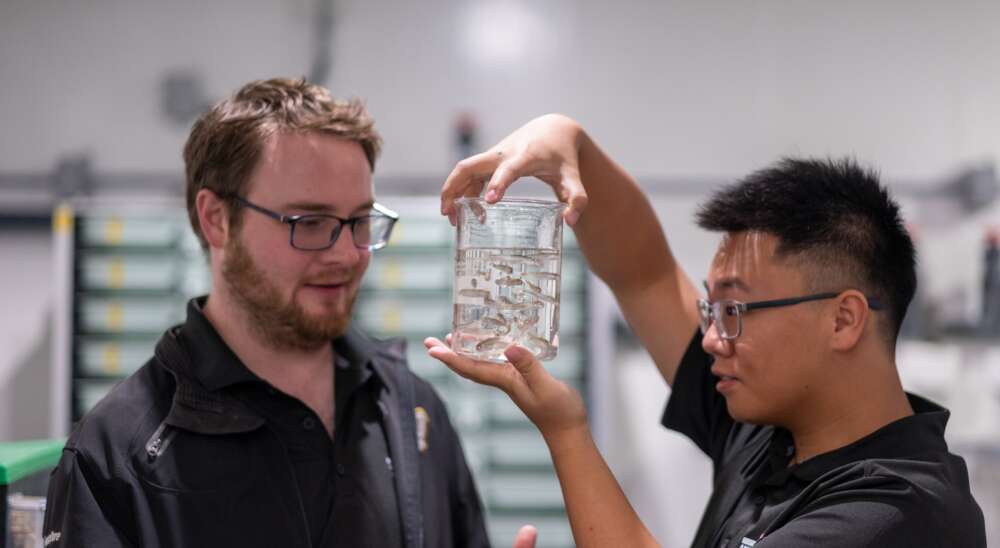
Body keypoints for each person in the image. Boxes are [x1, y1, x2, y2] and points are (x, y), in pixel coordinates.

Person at [427, 114, 987, 547]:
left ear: (843, 319)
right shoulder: (769, 432)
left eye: (735, 311)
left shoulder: (898, 513)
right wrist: (570, 143)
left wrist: (566, 431)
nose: (714, 338)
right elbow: (643, 275)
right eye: (710, 310)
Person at [43, 78, 491, 548]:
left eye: (359, 221)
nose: (346, 254)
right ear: (217, 219)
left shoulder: (411, 413)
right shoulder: (115, 457)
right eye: (309, 222)